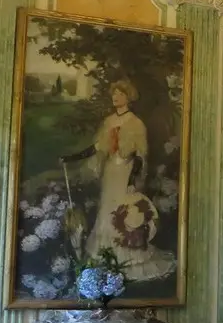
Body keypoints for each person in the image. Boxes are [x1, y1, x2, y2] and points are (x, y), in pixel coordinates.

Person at [60, 79, 175, 283]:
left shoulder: (136, 123)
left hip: (126, 171)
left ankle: (127, 257)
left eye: (120, 94)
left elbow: (140, 155)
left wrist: (132, 179)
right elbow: (97, 147)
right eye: (114, 93)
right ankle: (105, 254)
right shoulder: (109, 121)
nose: (116, 97)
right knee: (106, 208)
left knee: (123, 211)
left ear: (128, 97)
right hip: (111, 171)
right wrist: (71, 158)